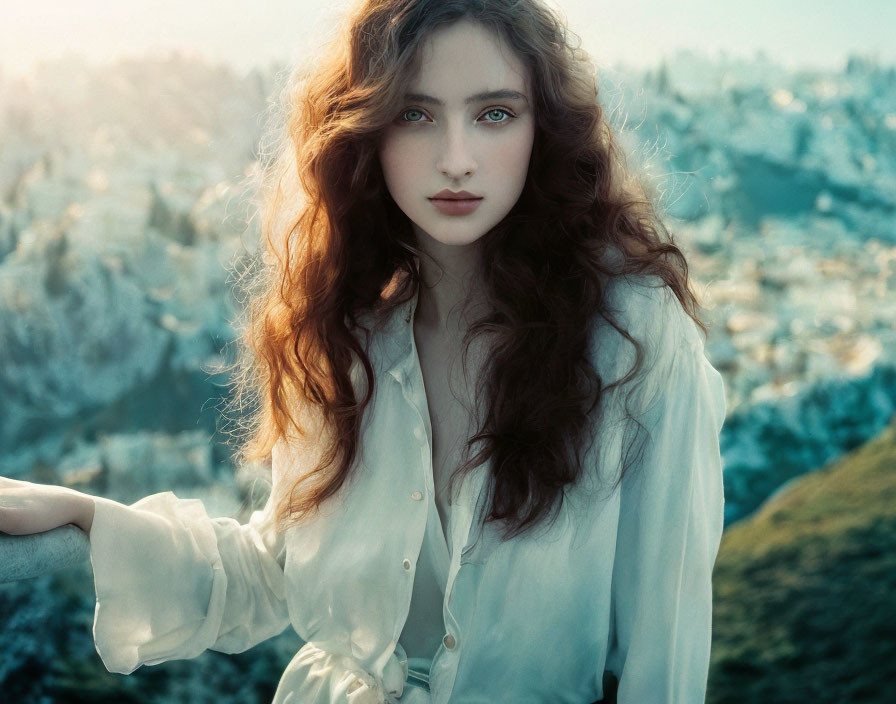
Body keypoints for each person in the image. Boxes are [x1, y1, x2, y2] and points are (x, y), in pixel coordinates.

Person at [0, 0, 727, 702]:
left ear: (546, 131)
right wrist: (87, 517)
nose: (456, 159)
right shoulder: (351, 336)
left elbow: (664, 651)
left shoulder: (633, 339)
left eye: (494, 114)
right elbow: (274, 574)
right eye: (415, 114)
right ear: (366, 131)